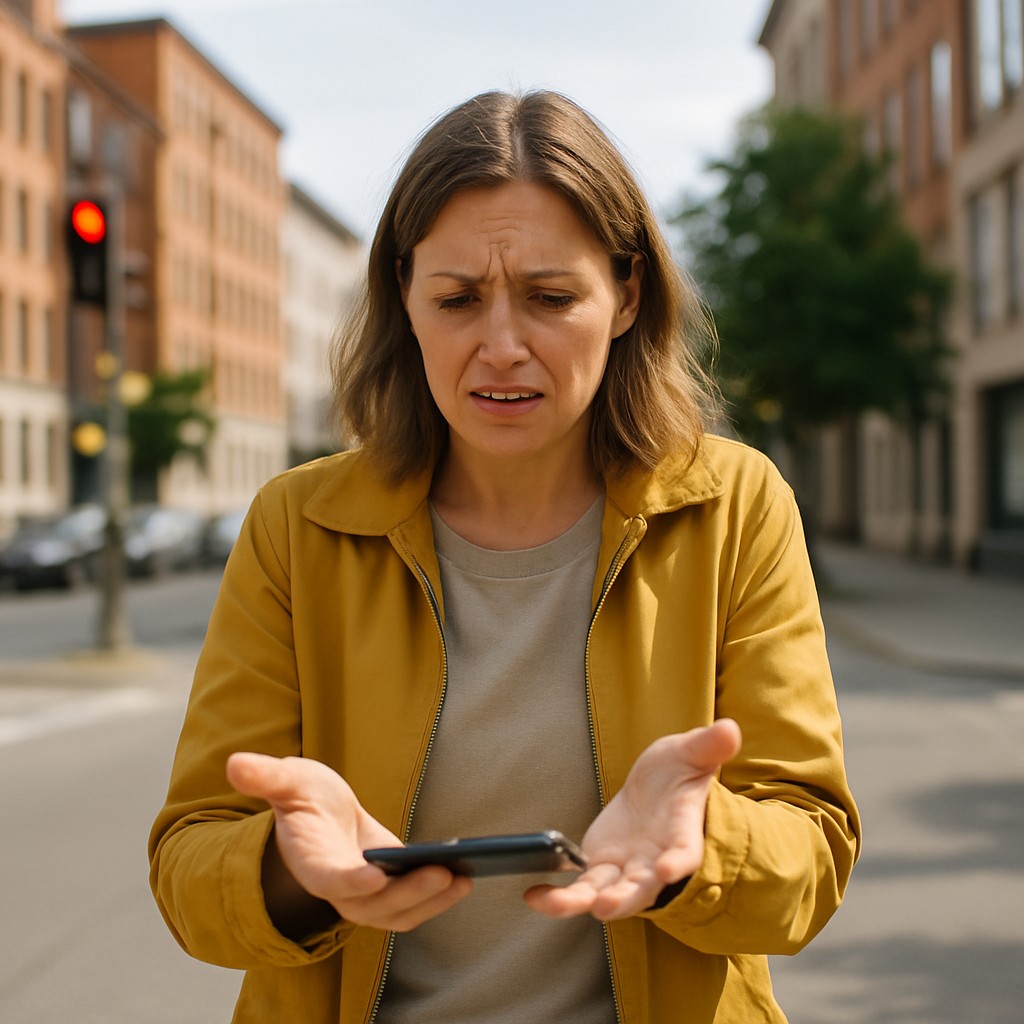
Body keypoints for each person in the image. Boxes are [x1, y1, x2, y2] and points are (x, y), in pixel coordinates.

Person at [149, 90, 860, 1023]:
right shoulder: (297, 524)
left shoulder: (735, 506)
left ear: (627, 295)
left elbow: (811, 853)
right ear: (406, 299)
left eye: (550, 298)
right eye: (456, 299)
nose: (501, 347)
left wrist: (702, 846)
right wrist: (289, 868)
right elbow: (191, 862)